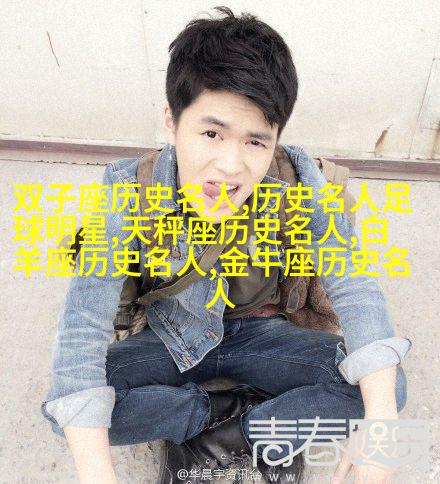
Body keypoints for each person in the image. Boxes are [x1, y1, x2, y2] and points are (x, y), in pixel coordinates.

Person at [41, 6, 411, 484]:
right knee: (69, 406)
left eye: (255, 142)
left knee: (386, 391)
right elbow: (83, 321)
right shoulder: (128, 188)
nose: (231, 166)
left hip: (264, 334)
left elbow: (354, 283)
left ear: (276, 138)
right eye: (212, 133)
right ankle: (210, 416)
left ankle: (248, 432)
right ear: (171, 121)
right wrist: (96, 473)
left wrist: (379, 435)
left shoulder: (299, 180)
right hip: (173, 338)